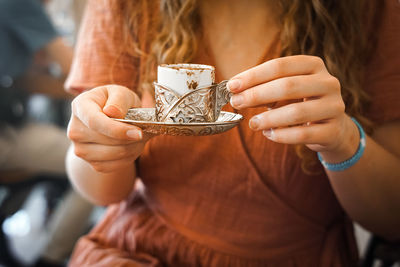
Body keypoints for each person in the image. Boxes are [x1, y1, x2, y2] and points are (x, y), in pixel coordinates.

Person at [65, 0, 400, 266]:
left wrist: (343, 140)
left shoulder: (372, 10)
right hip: (139, 249)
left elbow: (392, 220)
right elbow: (103, 192)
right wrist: (103, 137)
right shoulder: (126, 5)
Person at [0, 0, 93, 266]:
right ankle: (50, 258)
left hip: (13, 117)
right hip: (5, 133)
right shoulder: (22, 4)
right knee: (93, 163)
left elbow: (26, 80)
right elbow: (79, 74)